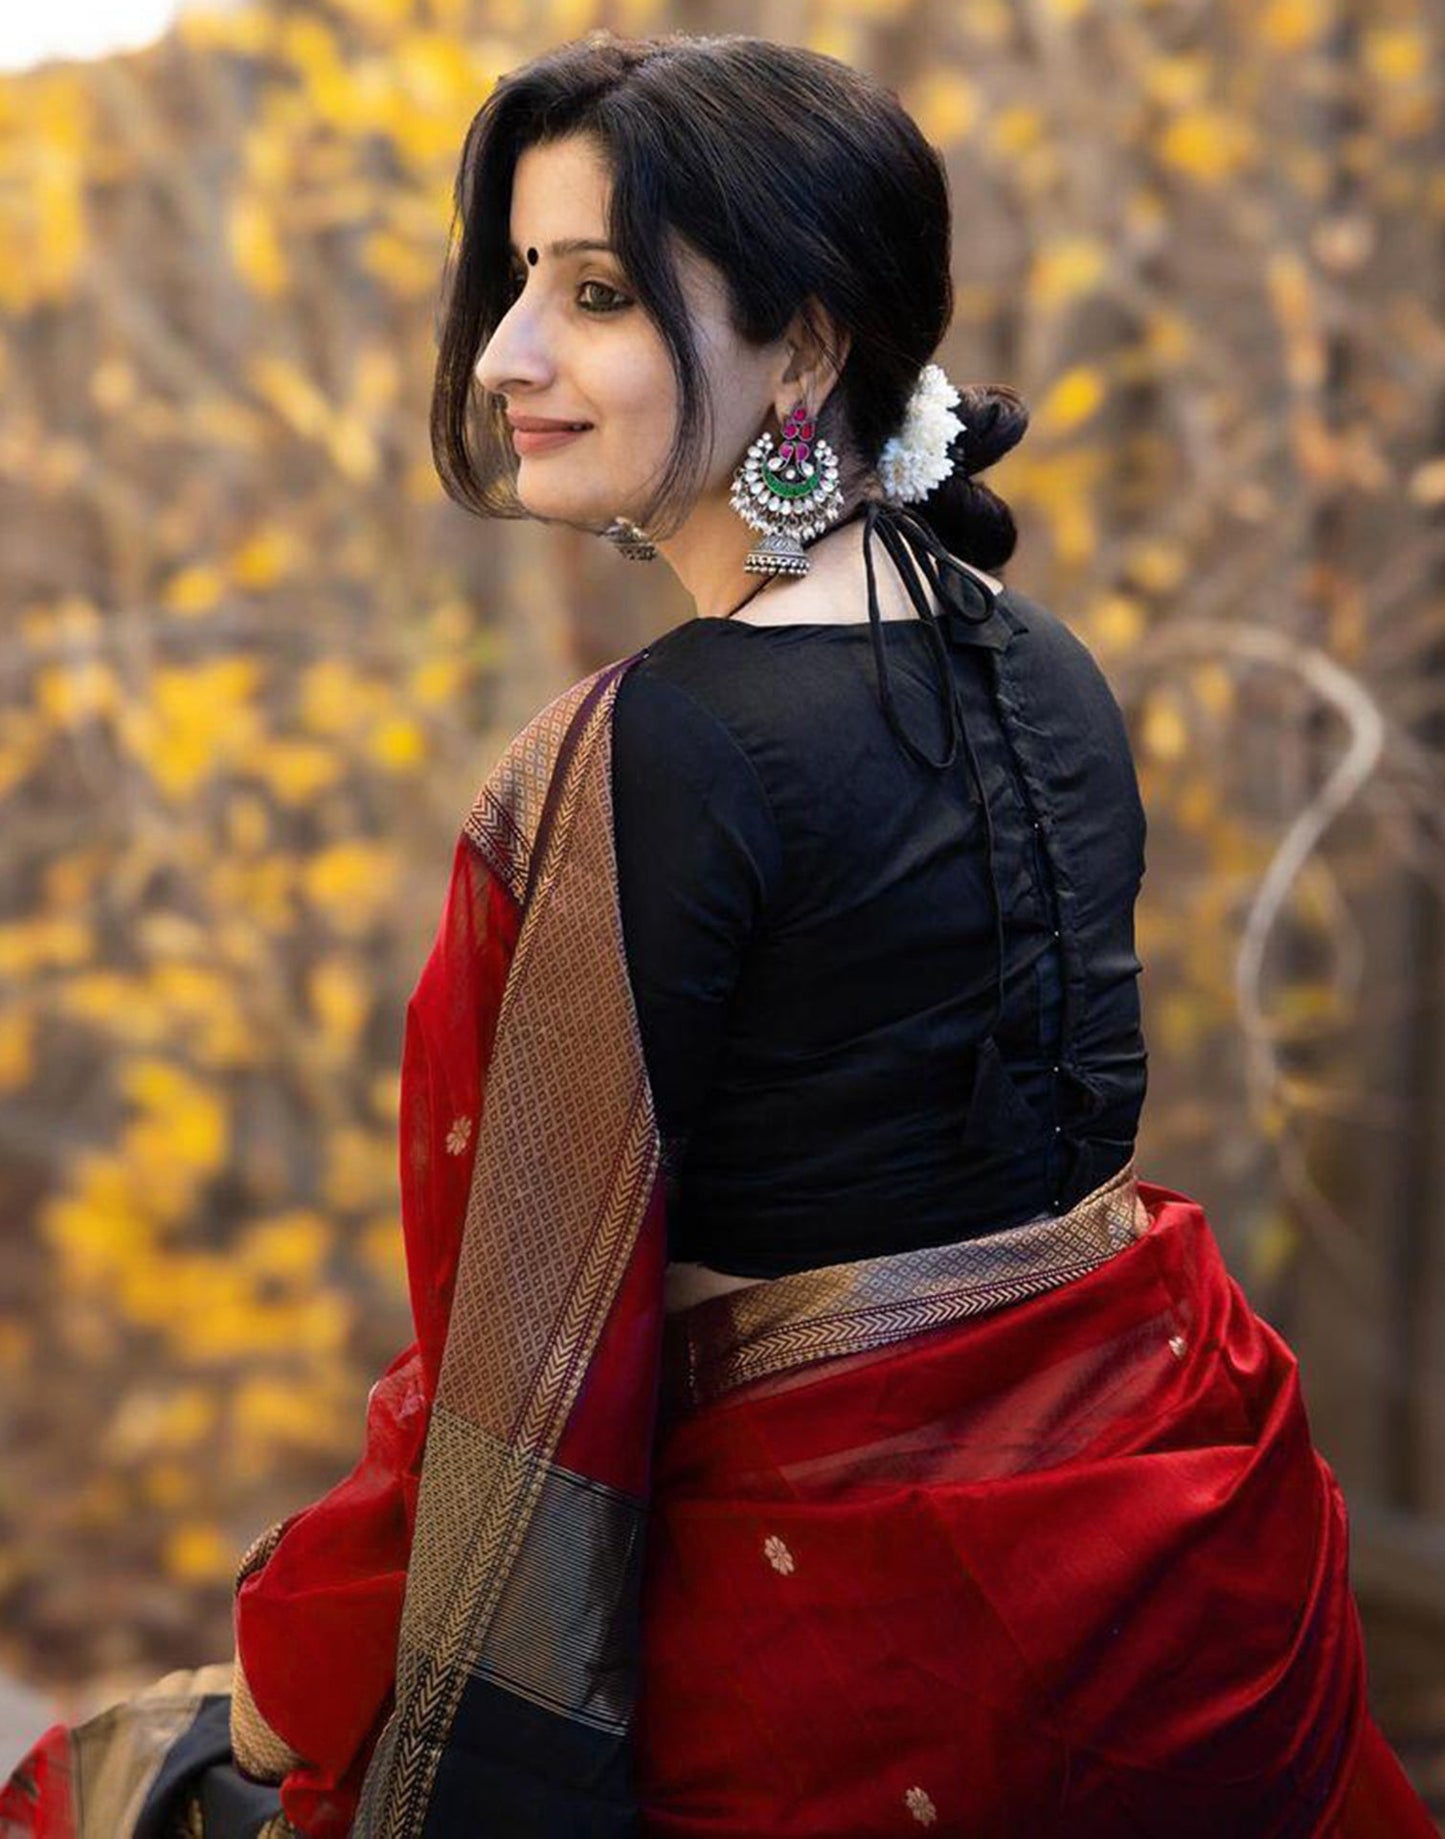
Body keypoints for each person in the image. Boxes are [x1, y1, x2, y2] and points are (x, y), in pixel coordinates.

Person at [3, 28, 1436, 1839]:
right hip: (1169, 1582)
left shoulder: (656, 749)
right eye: (520, 278)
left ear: (808, 349)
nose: (509, 352)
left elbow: (524, 1355)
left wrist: (314, 1675)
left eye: (596, 294)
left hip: (836, 1666)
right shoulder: (1042, 663)